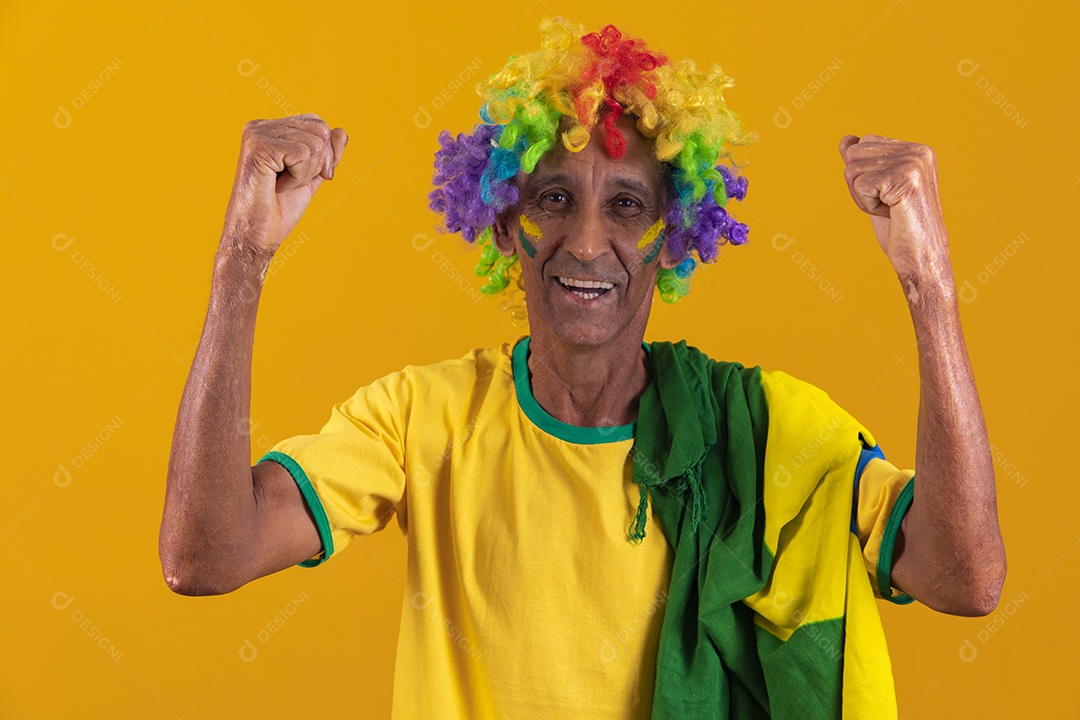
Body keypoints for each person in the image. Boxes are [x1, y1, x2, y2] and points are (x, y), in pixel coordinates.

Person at [159, 18, 1005, 720]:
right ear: (502, 224)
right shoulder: (422, 417)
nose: (589, 242)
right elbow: (202, 558)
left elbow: (964, 577)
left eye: (627, 206)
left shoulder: (767, 427)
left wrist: (928, 287)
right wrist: (243, 259)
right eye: (554, 197)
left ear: (672, 239)